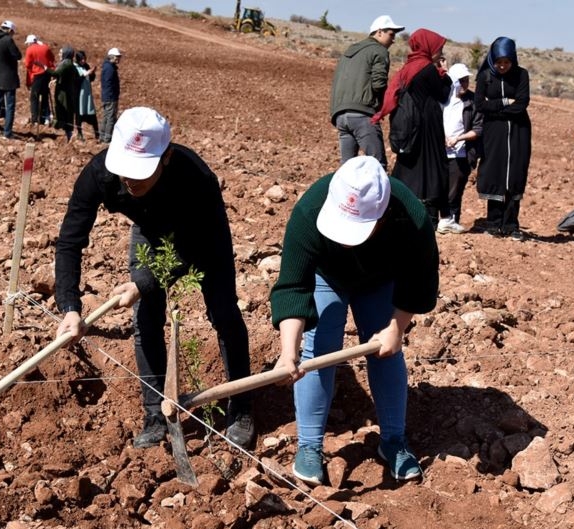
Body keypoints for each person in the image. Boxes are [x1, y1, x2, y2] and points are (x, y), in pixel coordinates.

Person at [54, 107, 256, 450]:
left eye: (140, 172)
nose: (130, 181)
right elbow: (71, 239)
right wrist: (70, 306)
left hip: (201, 233)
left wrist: (143, 283)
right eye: (125, 171)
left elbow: (197, 248)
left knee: (223, 311)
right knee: (146, 316)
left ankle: (241, 407)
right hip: (150, 228)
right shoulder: (99, 174)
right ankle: (155, 414)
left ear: (166, 158)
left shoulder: (196, 179)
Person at [269, 155, 439, 486]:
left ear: (382, 213)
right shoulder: (310, 209)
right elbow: (292, 285)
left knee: (385, 351)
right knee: (317, 352)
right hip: (327, 277)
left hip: (381, 279)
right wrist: (288, 351)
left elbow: (420, 282)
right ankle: (309, 448)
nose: (346, 239)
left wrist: (396, 328)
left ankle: (393, 442)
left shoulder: (412, 217)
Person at [372, 29, 457, 232]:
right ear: (428, 48)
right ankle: (431, 218)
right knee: (433, 169)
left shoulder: (409, 67)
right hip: (427, 126)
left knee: (410, 167)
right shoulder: (427, 69)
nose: (440, 53)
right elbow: (443, 94)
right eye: (438, 49)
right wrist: (445, 73)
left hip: (412, 127)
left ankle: (401, 209)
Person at [474, 37, 532, 241]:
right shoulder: (485, 77)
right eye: (499, 62)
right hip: (494, 132)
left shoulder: (521, 75)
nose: (502, 66)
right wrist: (506, 102)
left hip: (519, 131)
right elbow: (480, 104)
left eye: (506, 62)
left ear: (513, 60)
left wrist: (496, 106)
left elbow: (522, 103)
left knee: (515, 172)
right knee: (495, 172)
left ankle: (511, 224)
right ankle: (493, 223)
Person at [329, 15, 404, 168]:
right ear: (379, 32)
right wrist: (383, 107)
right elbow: (379, 84)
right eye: (391, 34)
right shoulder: (379, 51)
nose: (394, 39)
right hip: (361, 115)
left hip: (340, 116)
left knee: (347, 168)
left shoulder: (350, 51)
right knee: (377, 166)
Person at [441, 63, 483, 231]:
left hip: (461, 154)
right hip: (440, 152)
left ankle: (452, 222)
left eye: (467, 80)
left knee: (455, 191)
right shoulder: (442, 100)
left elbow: (478, 129)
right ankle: (438, 221)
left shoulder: (473, 102)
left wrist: (458, 139)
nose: (465, 84)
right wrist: (442, 137)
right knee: (439, 188)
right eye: (461, 80)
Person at [48, 46, 80, 141]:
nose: (59, 54)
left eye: (61, 53)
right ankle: (66, 133)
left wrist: (45, 68)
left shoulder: (67, 64)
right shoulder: (68, 64)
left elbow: (56, 73)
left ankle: (67, 134)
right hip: (65, 92)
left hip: (66, 94)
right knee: (63, 110)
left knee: (65, 111)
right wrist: (57, 81)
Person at [24, 34, 55, 126]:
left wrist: (29, 80)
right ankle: (46, 118)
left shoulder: (30, 49)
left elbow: (27, 65)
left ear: (30, 42)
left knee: (34, 97)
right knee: (45, 96)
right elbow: (52, 60)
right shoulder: (45, 47)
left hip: (37, 75)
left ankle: (35, 119)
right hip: (47, 74)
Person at [74, 50, 100, 142]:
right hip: (80, 95)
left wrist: (92, 73)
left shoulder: (86, 66)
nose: (83, 61)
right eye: (81, 60)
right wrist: (86, 74)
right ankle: (80, 133)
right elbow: (75, 81)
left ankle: (97, 133)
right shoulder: (74, 68)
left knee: (92, 113)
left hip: (87, 94)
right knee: (79, 115)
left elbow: (91, 79)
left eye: (84, 59)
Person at [99, 47, 122, 144]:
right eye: (117, 57)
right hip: (110, 97)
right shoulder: (110, 69)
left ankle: (102, 136)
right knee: (110, 118)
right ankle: (107, 138)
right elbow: (109, 84)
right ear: (112, 57)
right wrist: (113, 96)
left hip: (106, 96)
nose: (118, 59)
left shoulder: (107, 67)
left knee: (106, 116)